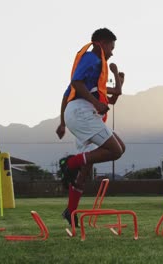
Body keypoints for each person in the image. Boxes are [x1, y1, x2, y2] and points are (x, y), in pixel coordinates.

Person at [58, 28, 126, 226]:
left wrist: (118, 81)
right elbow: (75, 84)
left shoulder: (98, 70)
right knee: (116, 149)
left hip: (82, 114)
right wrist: (64, 121)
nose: (112, 53)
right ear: (102, 44)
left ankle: (70, 212)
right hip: (81, 112)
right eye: (111, 48)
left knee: (86, 170)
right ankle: (69, 163)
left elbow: (111, 98)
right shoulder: (91, 58)